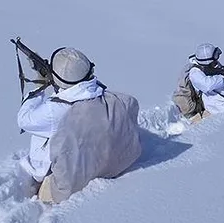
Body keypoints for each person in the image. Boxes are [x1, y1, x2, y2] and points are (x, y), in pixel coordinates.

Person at [17, 47, 142, 204]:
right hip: (112, 164)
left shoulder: (56, 110)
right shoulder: (108, 97)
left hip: (68, 182)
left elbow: (24, 119)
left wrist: (39, 85)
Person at [171, 43, 224, 122]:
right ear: (208, 61)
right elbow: (207, 86)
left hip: (207, 102)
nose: (217, 59)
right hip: (198, 106)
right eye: (215, 57)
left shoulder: (209, 66)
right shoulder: (195, 73)